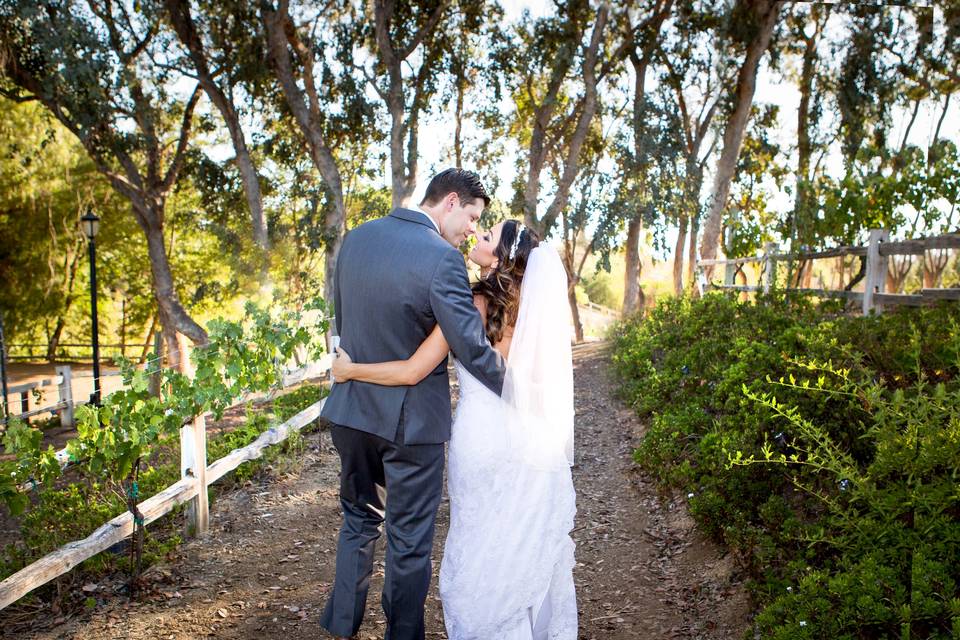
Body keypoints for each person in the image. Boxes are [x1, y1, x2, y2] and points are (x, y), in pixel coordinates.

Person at [333, 219, 578, 640]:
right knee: (520, 544)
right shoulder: (533, 309)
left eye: (487, 237)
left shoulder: (469, 303)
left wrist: (350, 368)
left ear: (499, 257)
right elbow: (540, 387)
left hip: (480, 438)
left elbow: (413, 370)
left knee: (479, 537)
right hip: (532, 442)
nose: (477, 236)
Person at [318, 168, 508, 640]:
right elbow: (469, 345)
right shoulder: (442, 259)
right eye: (471, 216)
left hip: (351, 411)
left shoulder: (356, 240)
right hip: (410, 425)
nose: (470, 229)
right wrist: (523, 391)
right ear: (448, 202)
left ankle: (342, 625)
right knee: (408, 543)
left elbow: (345, 322)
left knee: (358, 521)